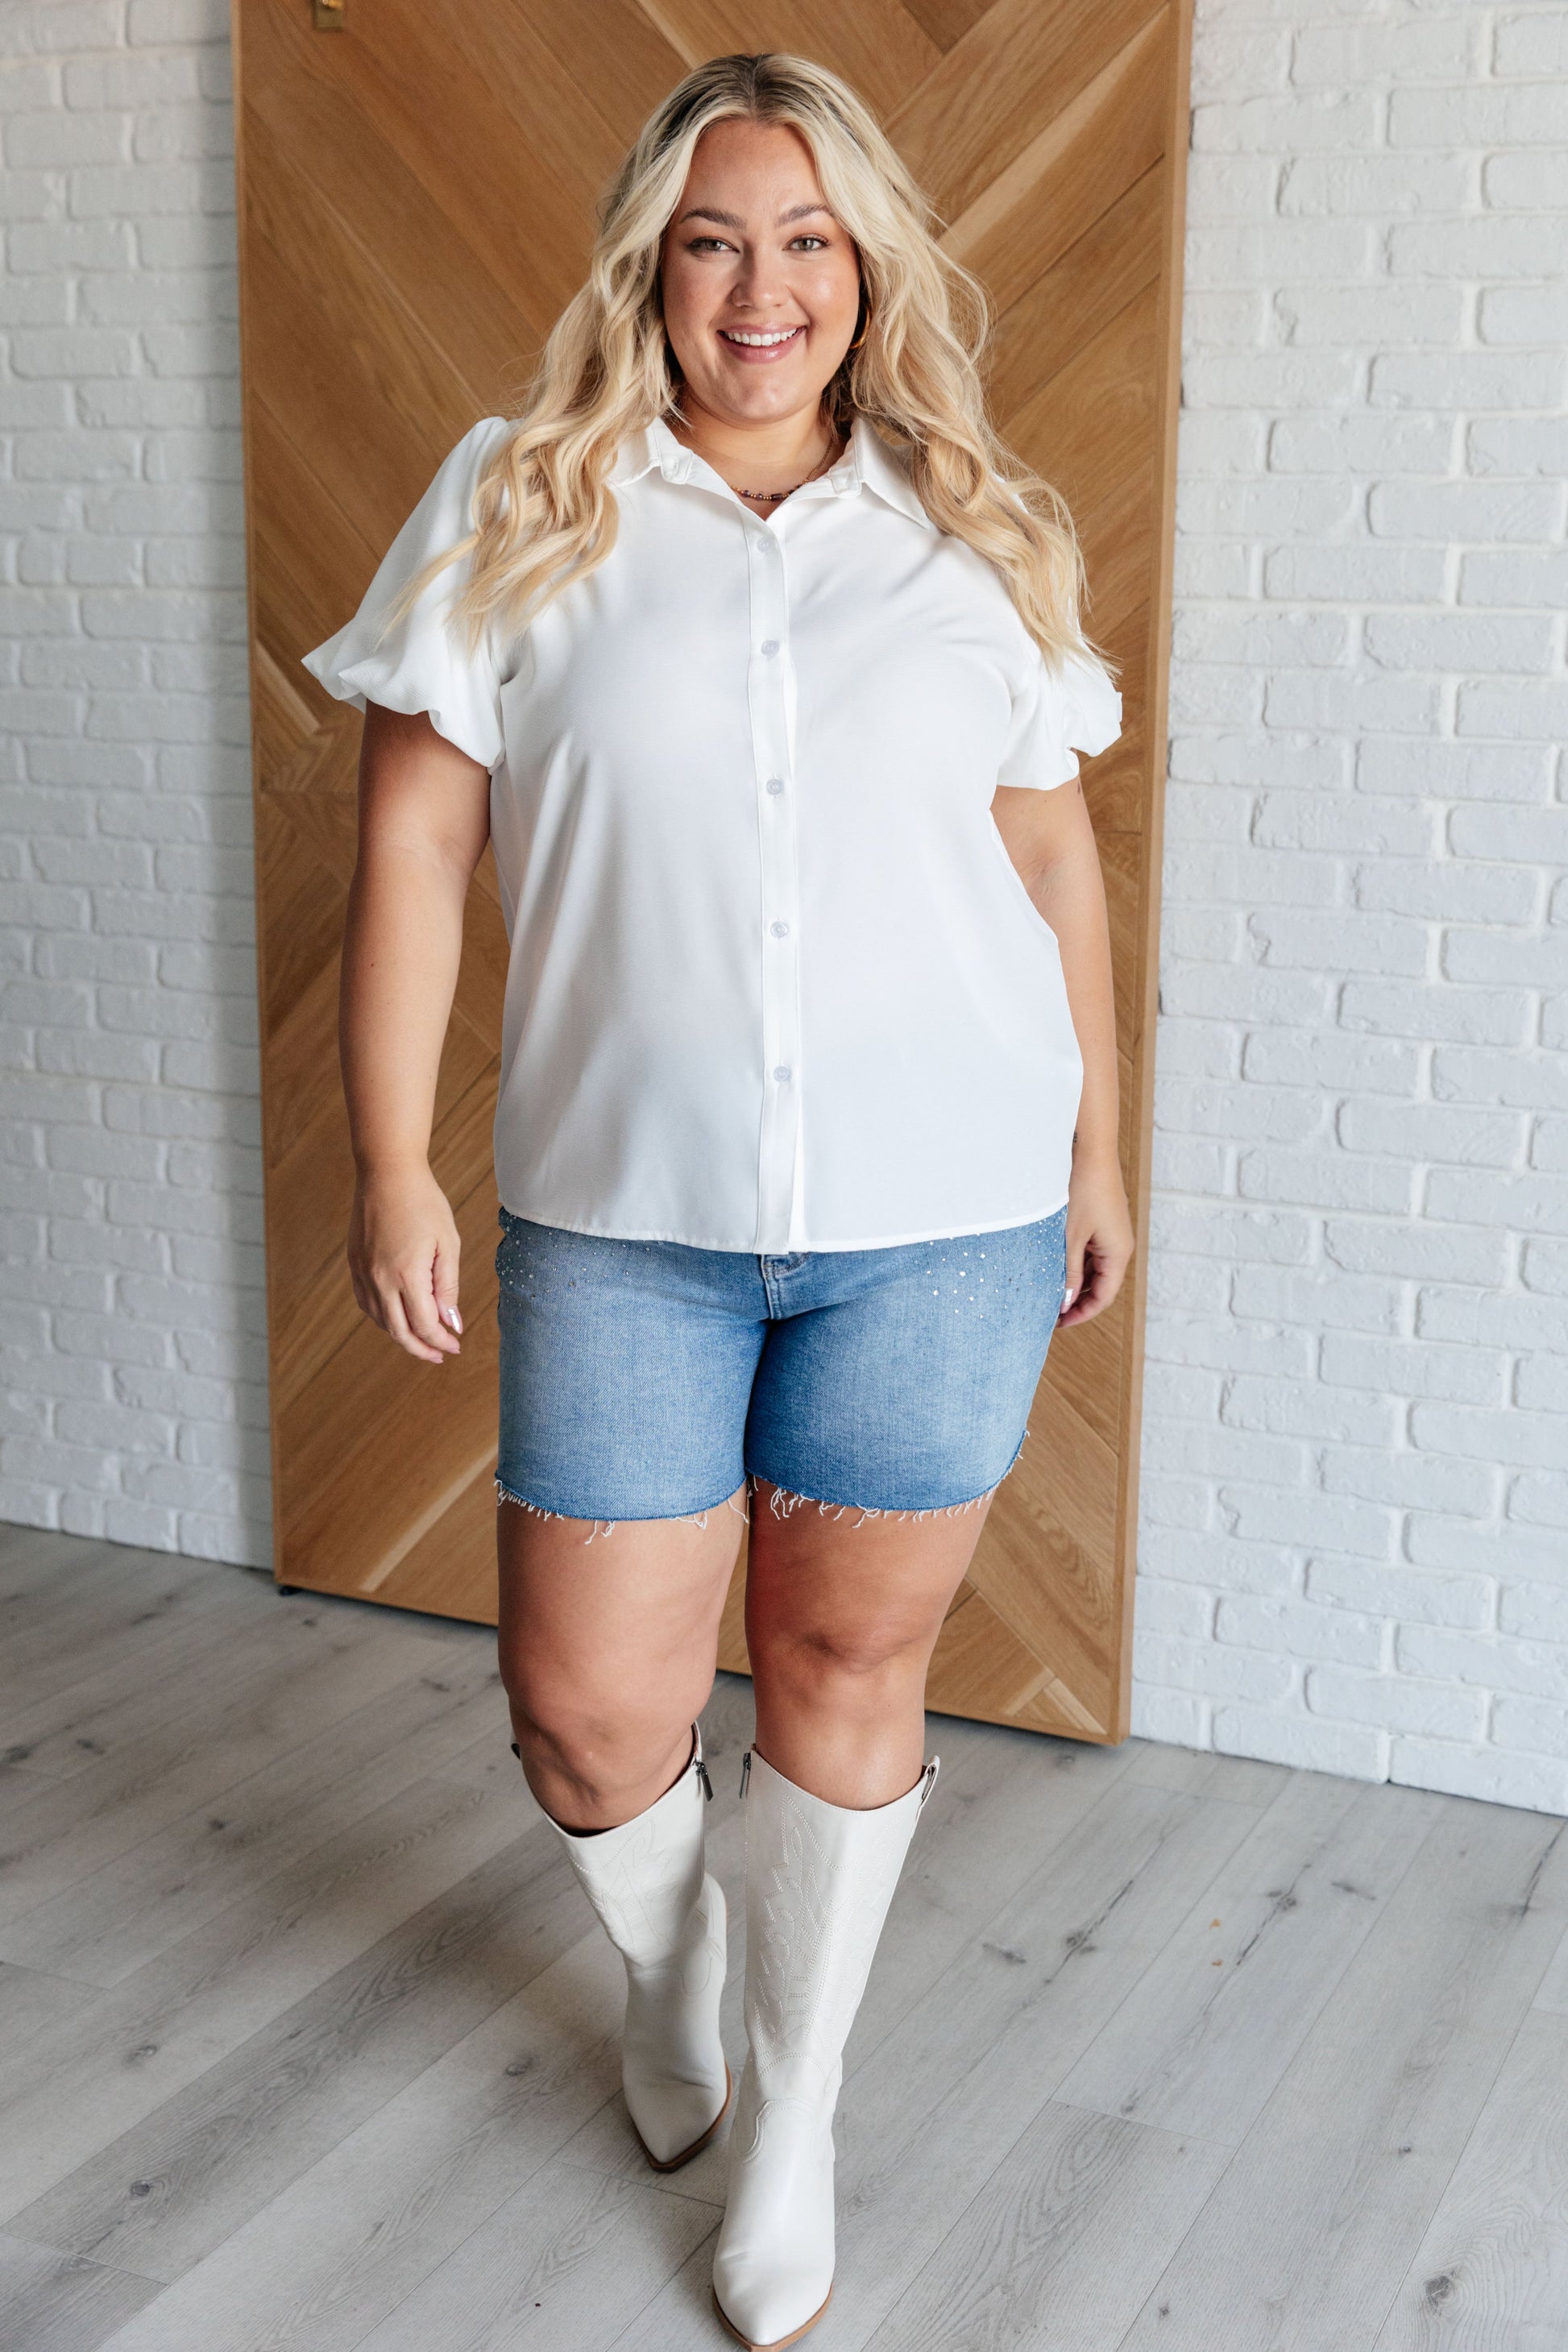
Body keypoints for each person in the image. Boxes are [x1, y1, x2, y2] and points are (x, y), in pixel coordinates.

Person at [302, 49, 1133, 2352]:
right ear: (646, 267)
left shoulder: (977, 529)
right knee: (588, 1715)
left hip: (942, 1204)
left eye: (803, 242)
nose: (757, 290)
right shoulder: (514, 501)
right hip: (623, 1212)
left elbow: (1047, 847)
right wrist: (389, 1159)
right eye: (709, 240)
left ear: (865, 270)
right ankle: (680, 1974)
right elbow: (417, 845)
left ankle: (789, 2113)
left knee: (855, 1662)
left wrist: (1095, 1148)